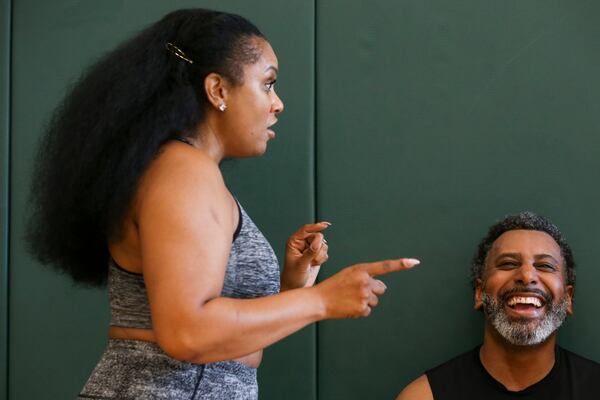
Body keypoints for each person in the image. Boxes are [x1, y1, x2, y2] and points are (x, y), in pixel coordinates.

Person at [26, 8, 420, 399]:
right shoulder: (183, 174)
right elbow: (188, 332)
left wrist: (290, 286)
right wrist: (318, 301)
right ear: (218, 90)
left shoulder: (177, 168)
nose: (278, 103)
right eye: (267, 84)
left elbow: (213, 327)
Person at [397, 212, 600, 400]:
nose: (527, 276)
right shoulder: (425, 396)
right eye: (508, 263)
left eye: (545, 266)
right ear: (479, 293)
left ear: (569, 299)